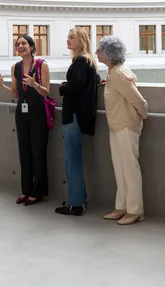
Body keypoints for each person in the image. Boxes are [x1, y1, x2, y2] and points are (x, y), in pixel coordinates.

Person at [96, 36, 148, 225]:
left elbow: (139, 100)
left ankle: (135, 211)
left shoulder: (119, 74)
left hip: (126, 126)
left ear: (109, 54)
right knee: (120, 168)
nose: (96, 53)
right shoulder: (113, 73)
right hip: (117, 126)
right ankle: (122, 207)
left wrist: (144, 114)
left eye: (100, 51)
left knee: (129, 169)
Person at [0, 35, 51, 205]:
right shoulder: (16, 67)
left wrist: (34, 84)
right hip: (22, 111)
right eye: (17, 44)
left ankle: (37, 191)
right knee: (24, 151)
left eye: (24, 43)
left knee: (38, 152)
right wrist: (1, 86)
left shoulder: (42, 65)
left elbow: (46, 92)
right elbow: (16, 94)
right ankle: (25, 190)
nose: (20, 46)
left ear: (32, 47)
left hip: (38, 112)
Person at [55, 27, 100, 216]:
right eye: (68, 37)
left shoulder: (80, 61)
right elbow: (94, 81)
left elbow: (77, 85)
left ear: (81, 41)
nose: (68, 41)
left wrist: (63, 87)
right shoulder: (89, 61)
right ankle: (78, 199)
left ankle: (75, 203)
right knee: (74, 159)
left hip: (74, 115)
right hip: (81, 115)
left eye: (72, 38)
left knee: (72, 159)